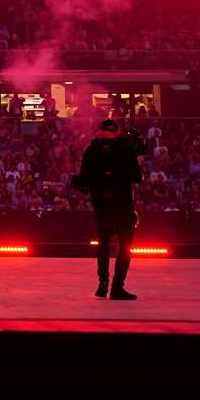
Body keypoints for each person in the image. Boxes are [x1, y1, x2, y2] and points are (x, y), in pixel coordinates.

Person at [75, 118, 141, 300]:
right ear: (117, 132)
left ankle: (102, 283)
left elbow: (83, 179)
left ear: (99, 132)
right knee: (125, 246)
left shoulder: (92, 150)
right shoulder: (126, 149)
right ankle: (117, 286)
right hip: (123, 202)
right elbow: (137, 176)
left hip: (102, 202)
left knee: (104, 243)